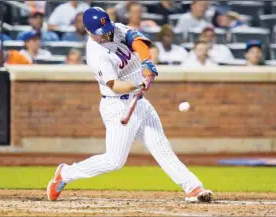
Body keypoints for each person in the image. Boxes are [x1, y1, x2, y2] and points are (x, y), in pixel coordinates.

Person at [47, 7, 213, 204]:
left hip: (140, 103)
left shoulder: (115, 28)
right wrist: (138, 84)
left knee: (162, 148)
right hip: (117, 105)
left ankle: (192, 187)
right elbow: (115, 86)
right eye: (101, 33)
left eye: (107, 29)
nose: (107, 34)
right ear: (89, 32)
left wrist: (146, 63)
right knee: (114, 161)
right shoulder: (95, 54)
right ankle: (65, 173)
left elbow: (137, 41)